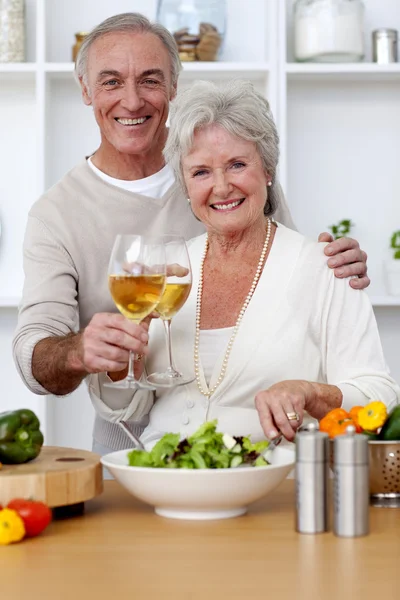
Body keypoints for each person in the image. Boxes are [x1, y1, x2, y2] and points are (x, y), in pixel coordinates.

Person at [13, 13, 370, 455]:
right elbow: (34, 351)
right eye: (110, 82)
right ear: (85, 90)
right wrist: (78, 351)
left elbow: (283, 275)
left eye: (149, 79)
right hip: (130, 438)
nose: (131, 100)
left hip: (255, 441)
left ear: (174, 86)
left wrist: (335, 266)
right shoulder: (56, 215)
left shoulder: (226, 158)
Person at [92, 79, 399, 449]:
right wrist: (124, 357)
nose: (221, 188)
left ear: (267, 170)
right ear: (186, 186)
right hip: (164, 478)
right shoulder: (169, 269)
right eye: (201, 172)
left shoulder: (325, 268)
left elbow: (379, 396)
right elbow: (126, 406)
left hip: (275, 484)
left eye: (237, 165)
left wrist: (309, 393)